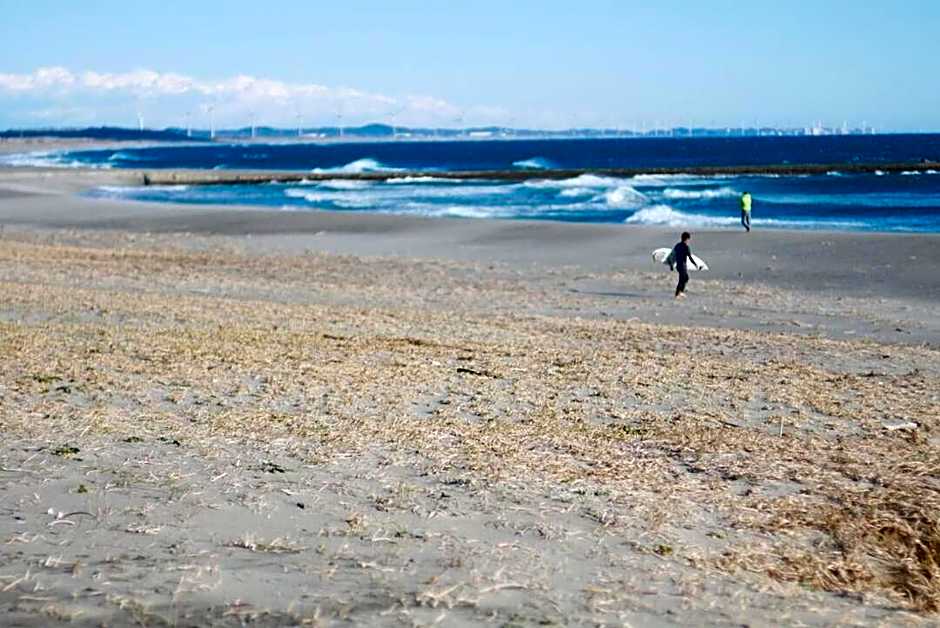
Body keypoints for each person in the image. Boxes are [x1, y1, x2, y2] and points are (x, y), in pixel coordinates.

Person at [669, 231, 699, 298]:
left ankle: (679, 292)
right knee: (683, 279)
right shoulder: (686, 247)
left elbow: (673, 256)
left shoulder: (677, 245)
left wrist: (671, 264)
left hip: (678, 265)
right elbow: (690, 257)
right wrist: (695, 264)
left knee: (684, 278)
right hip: (682, 265)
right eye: (688, 239)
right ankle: (678, 293)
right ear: (687, 239)